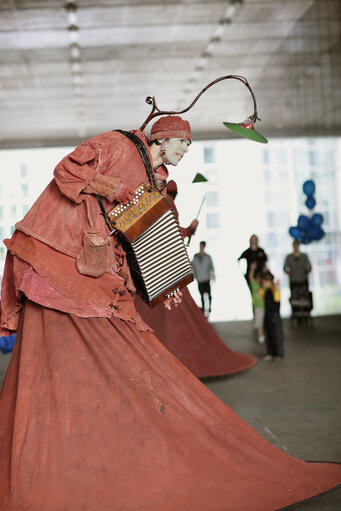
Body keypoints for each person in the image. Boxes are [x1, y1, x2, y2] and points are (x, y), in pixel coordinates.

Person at [0, 116, 340, 510]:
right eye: (184, 144)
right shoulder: (118, 145)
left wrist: (164, 282)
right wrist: (119, 189)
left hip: (91, 262)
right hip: (60, 251)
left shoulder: (155, 176)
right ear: (166, 137)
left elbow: (135, 232)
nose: (185, 152)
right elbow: (67, 171)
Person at [135, 180, 257, 378]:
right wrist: (189, 229)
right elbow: (171, 233)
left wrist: (187, 231)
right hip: (166, 271)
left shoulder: (151, 201)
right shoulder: (167, 202)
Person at [260, 270, 285, 361]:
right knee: (269, 335)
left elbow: (277, 298)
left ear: (269, 281)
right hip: (267, 316)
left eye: (265, 281)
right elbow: (261, 294)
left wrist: (276, 287)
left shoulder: (275, 290)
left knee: (277, 335)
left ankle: (279, 354)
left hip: (275, 317)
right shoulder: (265, 291)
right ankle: (270, 353)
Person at [191, 241, 215, 317]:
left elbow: (211, 268)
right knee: (202, 295)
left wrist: (212, 277)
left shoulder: (207, 257)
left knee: (208, 295)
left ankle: (209, 308)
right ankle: (204, 309)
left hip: (206, 279)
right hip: (200, 279)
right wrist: (195, 276)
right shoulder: (196, 257)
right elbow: (192, 267)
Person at [248, 262, 265, 344]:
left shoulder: (264, 286)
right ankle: (261, 335)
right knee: (259, 322)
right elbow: (251, 277)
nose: (259, 280)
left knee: (265, 322)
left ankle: (264, 335)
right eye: (258, 278)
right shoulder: (255, 285)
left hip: (265, 306)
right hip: (258, 307)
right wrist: (252, 269)